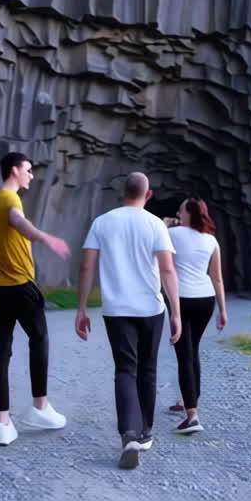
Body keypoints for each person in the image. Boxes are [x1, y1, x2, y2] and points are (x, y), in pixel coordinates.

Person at [75, 173, 182, 469]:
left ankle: (129, 434)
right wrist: (176, 312)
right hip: (150, 309)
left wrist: (81, 308)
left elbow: (86, 266)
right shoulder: (156, 224)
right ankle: (146, 431)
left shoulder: (102, 222)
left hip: (116, 309)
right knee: (147, 369)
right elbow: (169, 271)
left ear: (123, 193)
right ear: (148, 196)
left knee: (125, 370)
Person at [0, 152, 72, 445]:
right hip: (20, 286)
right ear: (14, 171)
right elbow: (19, 223)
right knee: (40, 339)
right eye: (28, 170)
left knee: (2, 350)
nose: (32, 175)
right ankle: (40, 407)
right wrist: (46, 238)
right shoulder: (10, 200)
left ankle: (3, 424)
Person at [163, 198, 228, 435]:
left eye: (180, 209)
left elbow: (163, 263)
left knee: (184, 354)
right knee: (193, 350)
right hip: (206, 299)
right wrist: (223, 309)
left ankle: (192, 415)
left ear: (187, 213)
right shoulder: (211, 240)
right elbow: (217, 277)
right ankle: (189, 401)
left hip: (182, 299)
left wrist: (166, 224)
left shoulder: (172, 233)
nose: (177, 212)